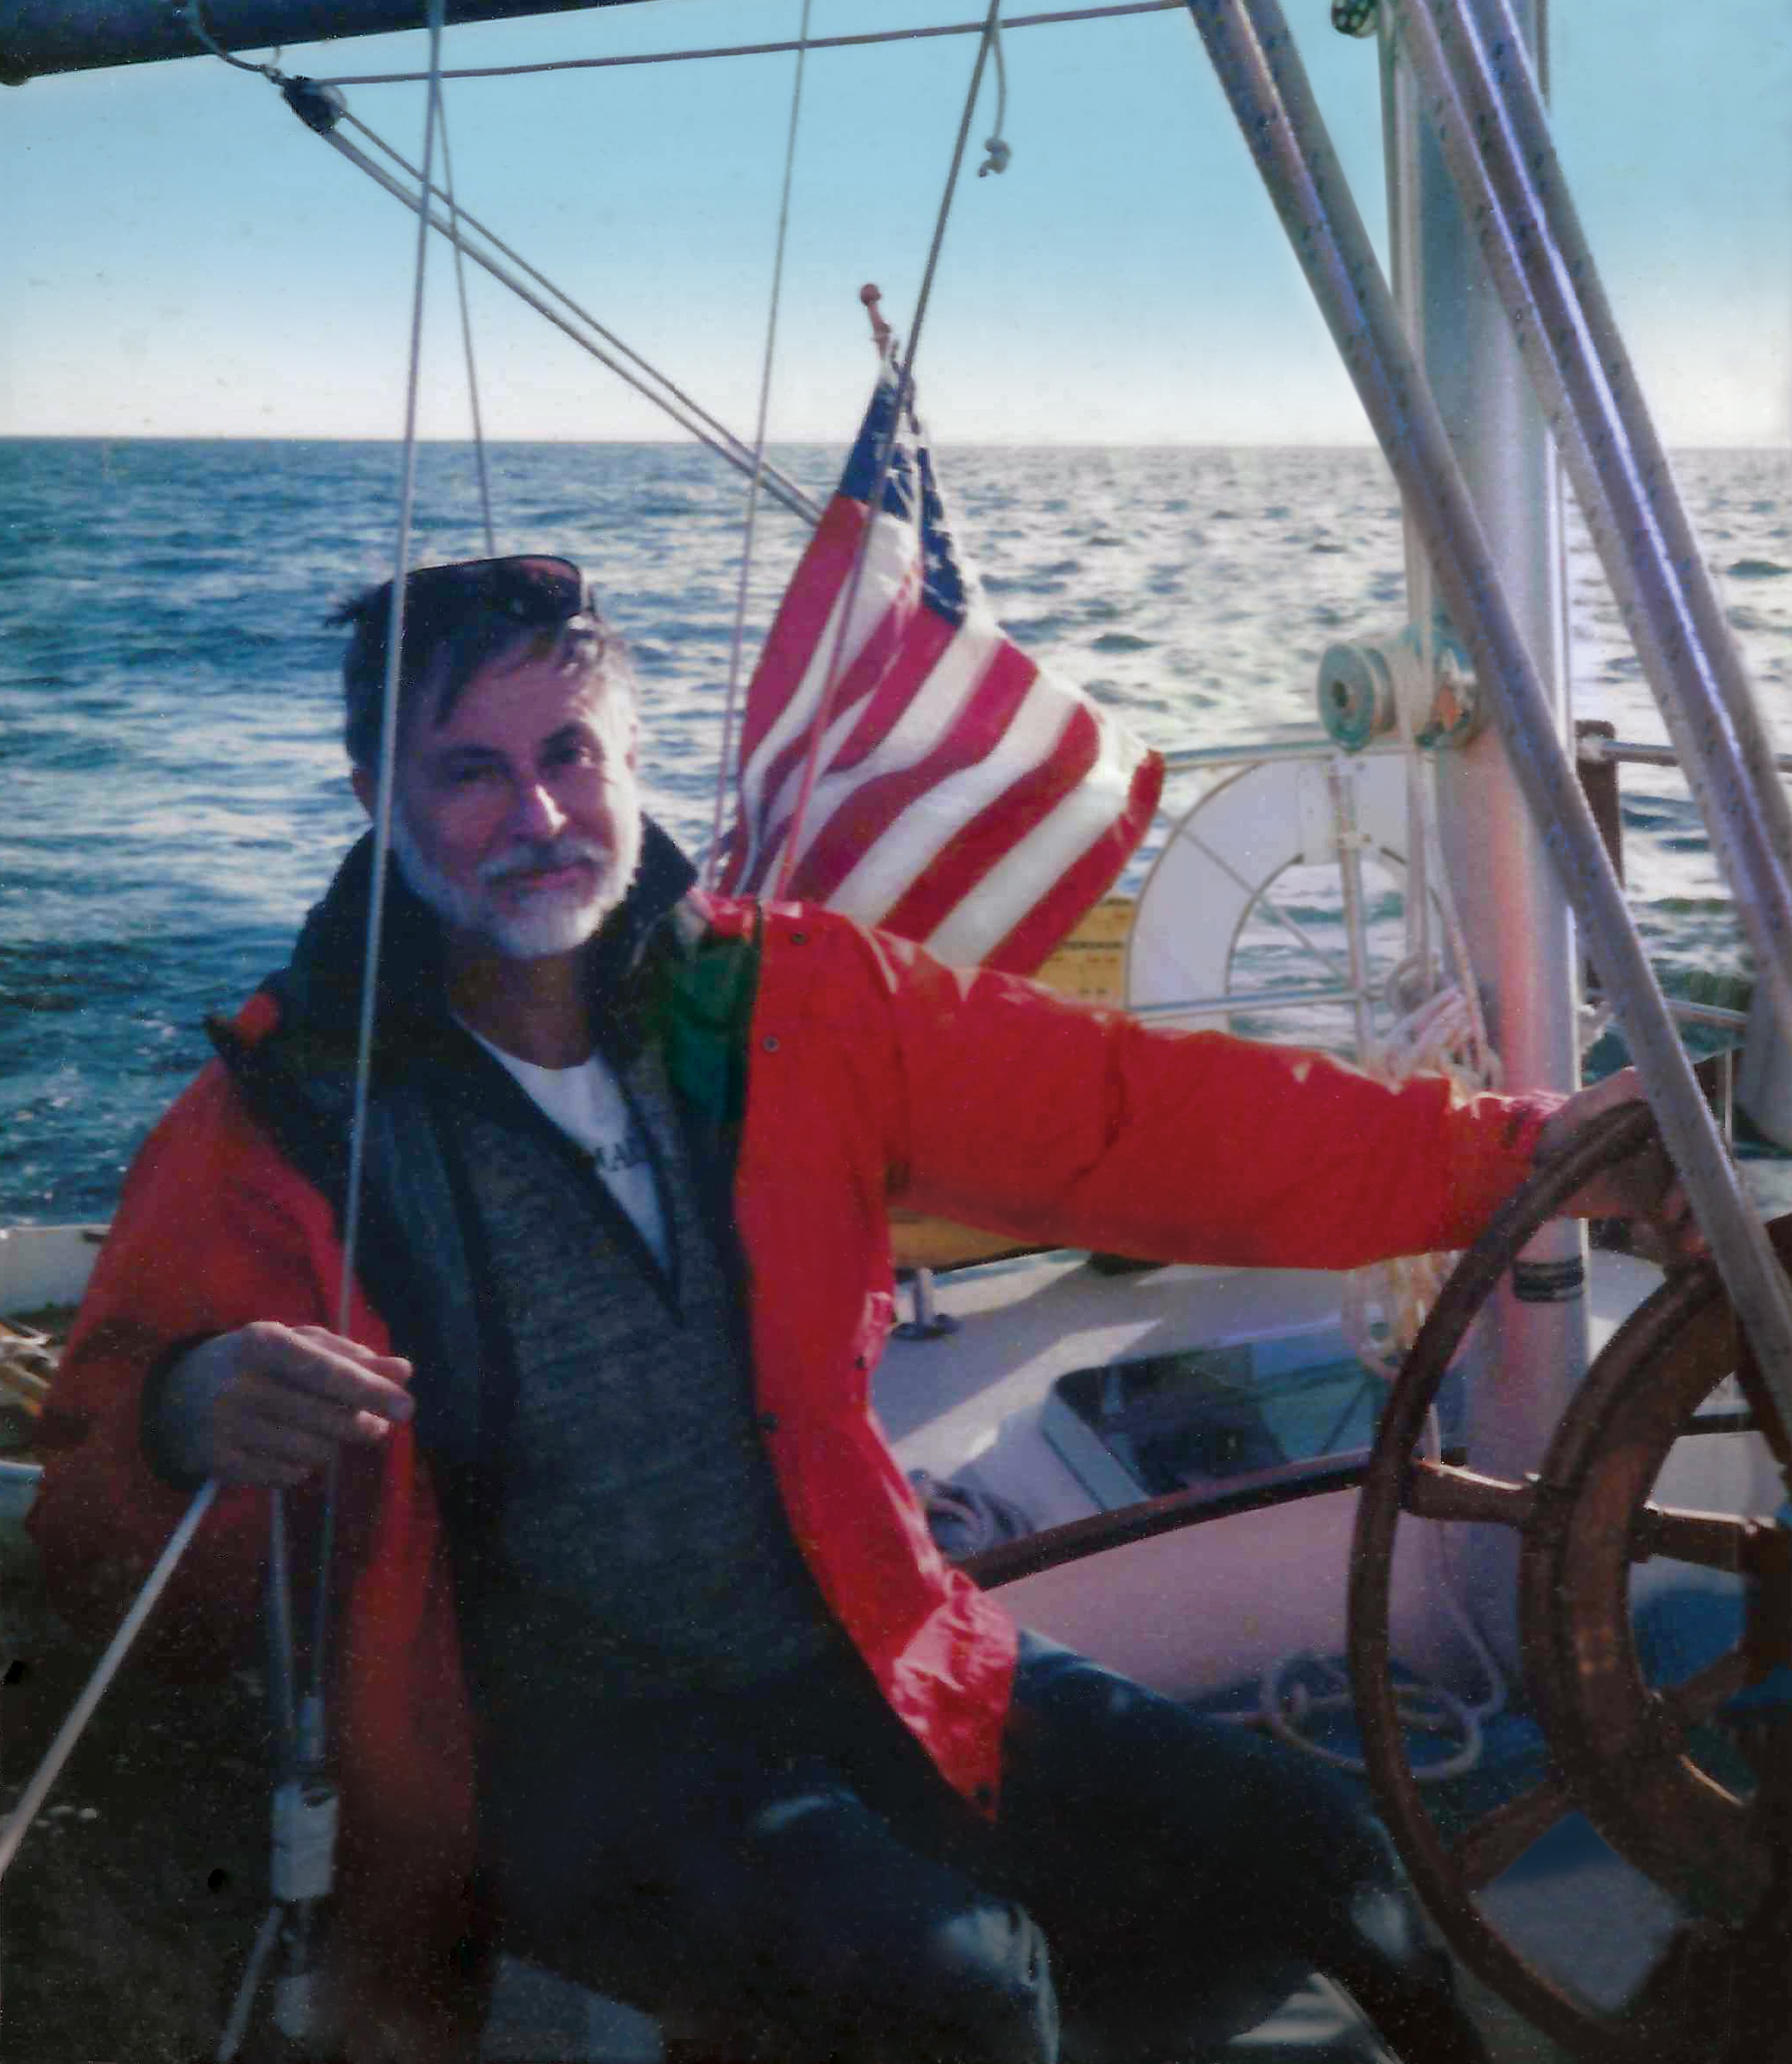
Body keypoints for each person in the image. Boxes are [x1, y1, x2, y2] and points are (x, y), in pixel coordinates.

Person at [31, 556, 1661, 2064]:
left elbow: (1134, 1113)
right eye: (470, 771)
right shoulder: (282, 1120)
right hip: (540, 1749)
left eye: (573, 754)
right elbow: (95, 1493)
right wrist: (187, 1415)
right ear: (376, 797)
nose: (538, 812)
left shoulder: (795, 1000)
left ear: (633, 759)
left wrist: (1515, 1156)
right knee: (949, 1981)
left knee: (1323, 1860)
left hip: (885, 1647)